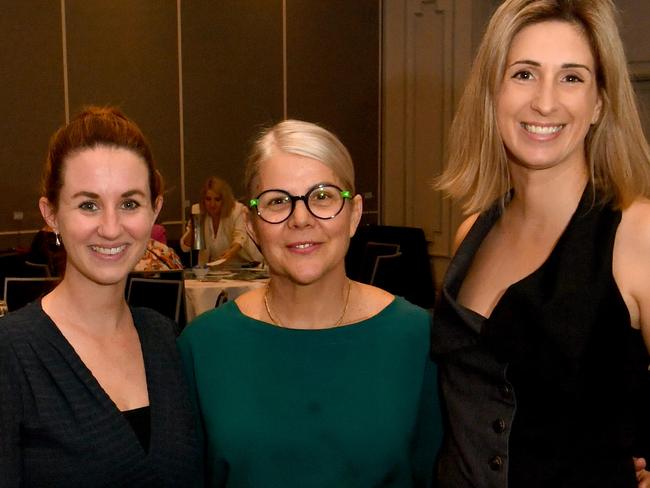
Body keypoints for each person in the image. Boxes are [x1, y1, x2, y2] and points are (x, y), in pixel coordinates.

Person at [433, 0, 650, 486]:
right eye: (524, 74)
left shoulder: (637, 234)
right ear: (492, 92)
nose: (545, 102)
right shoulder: (473, 232)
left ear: (598, 103)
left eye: (571, 78)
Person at [177, 119, 442, 486]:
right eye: (277, 202)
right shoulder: (204, 346)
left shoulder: (414, 337)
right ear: (253, 226)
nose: (300, 219)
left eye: (322, 196)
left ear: (354, 214)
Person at [0, 106, 201, 486]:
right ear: (51, 214)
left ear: (154, 210)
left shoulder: (166, 340)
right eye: (88, 204)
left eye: (129, 203)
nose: (111, 228)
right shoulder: (12, 354)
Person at [180, 176, 262, 266]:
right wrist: (194, 228)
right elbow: (185, 247)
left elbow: (240, 237)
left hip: (243, 265)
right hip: (211, 269)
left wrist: (230, 252)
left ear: (224, 199)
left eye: (217, 199)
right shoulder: (198, 211)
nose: (212, 204)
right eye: (208, 199)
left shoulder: (236, 210)